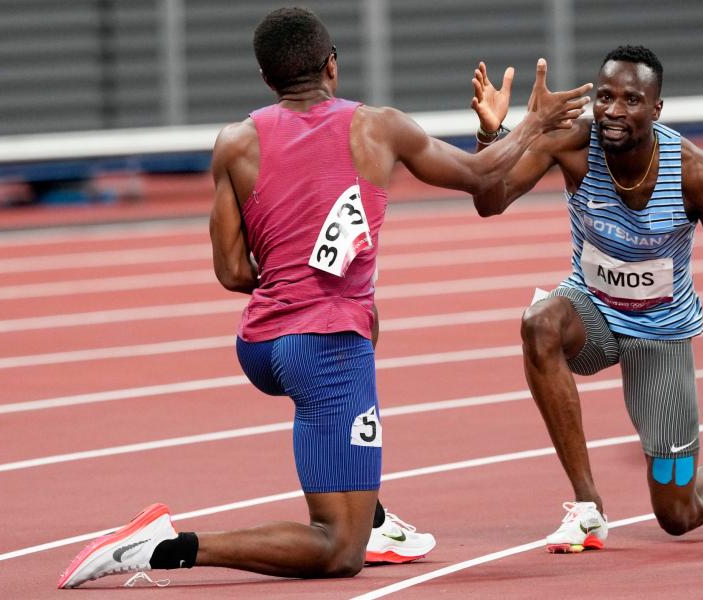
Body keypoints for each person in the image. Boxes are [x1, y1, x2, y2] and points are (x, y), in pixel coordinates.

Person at [57, 6, 592, 588]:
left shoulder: (235, 142)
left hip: (261, 345)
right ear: (332, 66)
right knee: (339, 549)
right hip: (324, 351)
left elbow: (233, 272)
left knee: (366, 317)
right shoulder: (377, 127)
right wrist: (530, 126)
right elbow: (481, 176)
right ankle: (162, 546)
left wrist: (292, 275)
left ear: (266, 79)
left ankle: (376, 513)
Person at [469, 45, 703, 552]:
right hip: (592, 310)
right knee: (538, 322)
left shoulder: (699, 175)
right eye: (604, 96)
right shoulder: (570, 144)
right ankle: (588, 508)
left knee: (677, 514)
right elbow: (489, 202)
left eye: (631, 100)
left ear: (656, 109)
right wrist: (493, 134)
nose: (612, 110)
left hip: (662, 332)